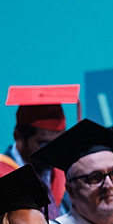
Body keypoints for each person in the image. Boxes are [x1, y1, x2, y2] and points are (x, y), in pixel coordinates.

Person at [0, 84, 73, 216]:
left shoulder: (62, 175)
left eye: (59, 142)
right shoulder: (3, 175)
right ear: (19, 137)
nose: (53, 151)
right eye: (44, 144)